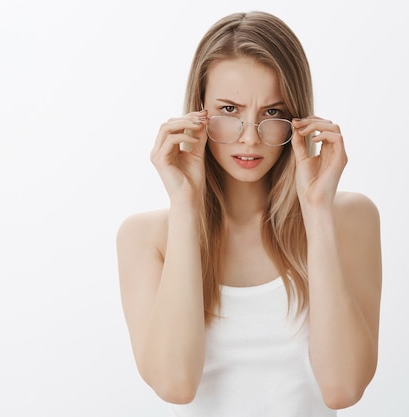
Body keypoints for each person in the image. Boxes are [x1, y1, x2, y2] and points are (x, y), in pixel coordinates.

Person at [117, 11, 382, 417]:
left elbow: (342, 389)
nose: (250, 136)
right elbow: (175, 384)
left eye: (273, 113)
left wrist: (316, 210)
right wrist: (186, 205)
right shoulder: (145, 238)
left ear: (297, 118)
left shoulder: (349, 218)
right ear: (198, 111)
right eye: (229, 109)